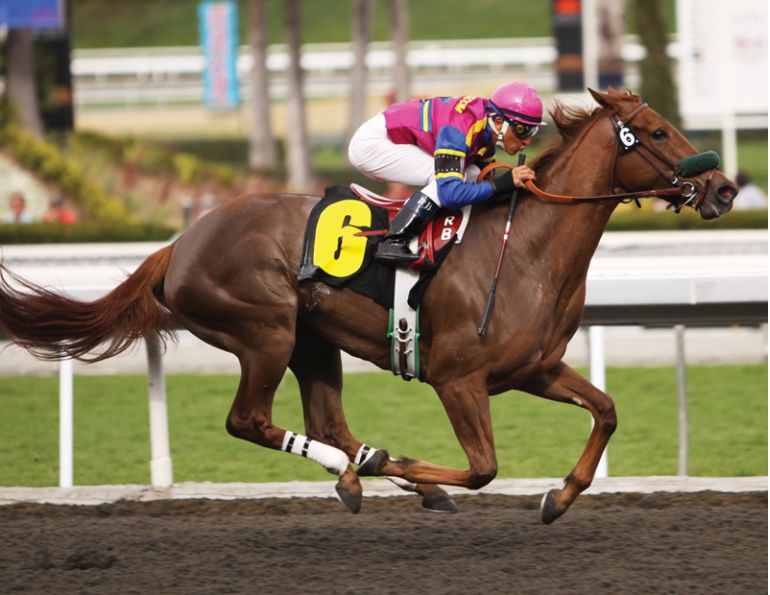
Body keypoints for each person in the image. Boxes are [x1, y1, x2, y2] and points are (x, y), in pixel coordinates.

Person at [348, 81, 543, 265]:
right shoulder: (460, 128)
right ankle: (394, 241)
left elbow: (483, 180)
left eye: (532, 132)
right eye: (522, 130)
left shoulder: (485, 128)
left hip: (393, 137)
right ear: (499, 122)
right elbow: (450, 194)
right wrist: (503, 184)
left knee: (473, 173)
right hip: (372, 145)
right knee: (455, 179)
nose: (527, 141)